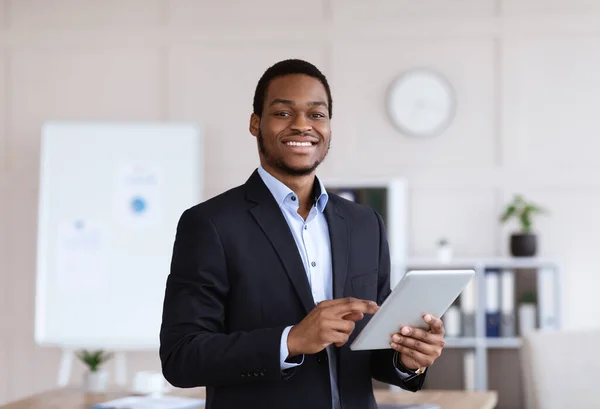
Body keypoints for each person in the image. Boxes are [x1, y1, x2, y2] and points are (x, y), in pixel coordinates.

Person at [159, 59, 446, 409]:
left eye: (316, 114)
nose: (301, 126)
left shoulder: (364, 223)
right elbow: (181, 357)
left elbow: (370, 349)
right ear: (255, 124)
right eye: (282, 113)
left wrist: (408, 360)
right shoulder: (210, 224)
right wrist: (291, 341)